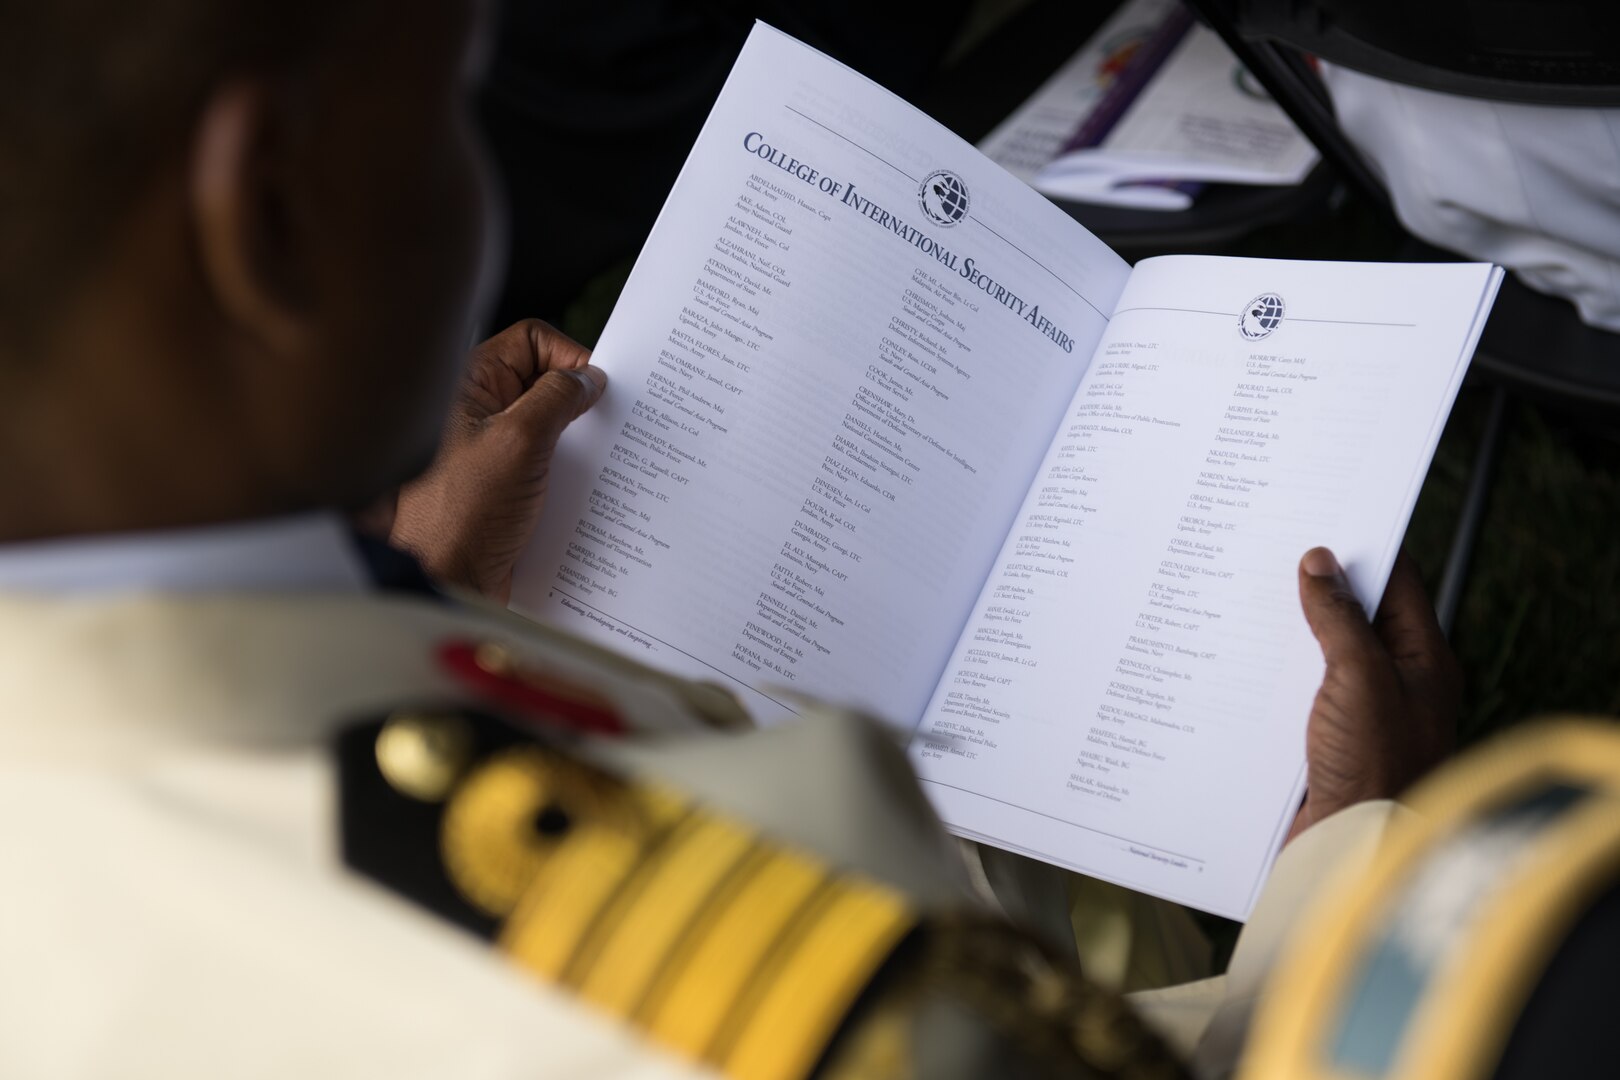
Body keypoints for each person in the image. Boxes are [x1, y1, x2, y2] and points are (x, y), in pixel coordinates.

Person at [0, 0, 1456, 1076]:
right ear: (266, 212)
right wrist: (1360, 852)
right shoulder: (783, 957)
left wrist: (429, 597)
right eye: (448, 98)